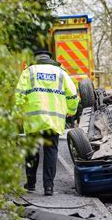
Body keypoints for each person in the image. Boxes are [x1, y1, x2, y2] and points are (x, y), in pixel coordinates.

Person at [15, 50, 79, 196]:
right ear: (50, 59)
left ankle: (30, 185)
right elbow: (72, 94)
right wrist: (71, 110)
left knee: (32, 152)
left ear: (36, 58)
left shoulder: (29, 72)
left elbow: (19, 95)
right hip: (53, 121)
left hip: (33, 121)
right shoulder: (61, 72)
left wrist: (18, 113)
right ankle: (48, 187)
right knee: (51, 152)